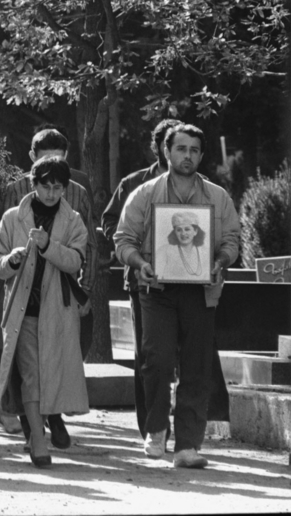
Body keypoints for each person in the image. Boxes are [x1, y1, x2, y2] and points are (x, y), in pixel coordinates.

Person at [114, 123, 240, 469]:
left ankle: (187, 446)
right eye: (181, 149)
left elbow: (231, 239)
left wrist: (220, 261)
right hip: (157, 290)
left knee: (197, 367)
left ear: (201, 155)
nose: (188, 156)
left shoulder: (217, 197)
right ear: (167, 152)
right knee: (156, 359)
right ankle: (156, 430)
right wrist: (139, 263)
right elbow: (123, 239)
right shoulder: (144, 194)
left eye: (194, 150)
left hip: (202, 292)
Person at [0, 156, 90, 468]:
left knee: (50, 376)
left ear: (65, 188)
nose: (50, 193)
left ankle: (42, 428)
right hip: (23, 310)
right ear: (33, 184)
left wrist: (48, 247)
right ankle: (37, 438)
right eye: (45, 186)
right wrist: (12, 261)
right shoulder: (12, 217)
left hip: (58, 312)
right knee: (32, 375)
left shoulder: (72, 220)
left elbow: (76, 262)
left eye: (57, 187)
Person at [101, 118, 181, 440]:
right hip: (143, 282)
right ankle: (150, 426)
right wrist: (136, 246)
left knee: (184, 353)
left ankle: (185, 425)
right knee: (147, 353)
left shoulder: (197, 185)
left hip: (188, 283)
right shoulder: (133, 184)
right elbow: (111, 223)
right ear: (159, 148)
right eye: (167, 145)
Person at [156, 211, 208, 280]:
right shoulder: (164, 251)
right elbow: (156, 278)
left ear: (195, 231)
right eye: (179, 230)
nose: (183, 233)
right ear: (175, 232)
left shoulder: (206, 252)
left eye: (187, 229)